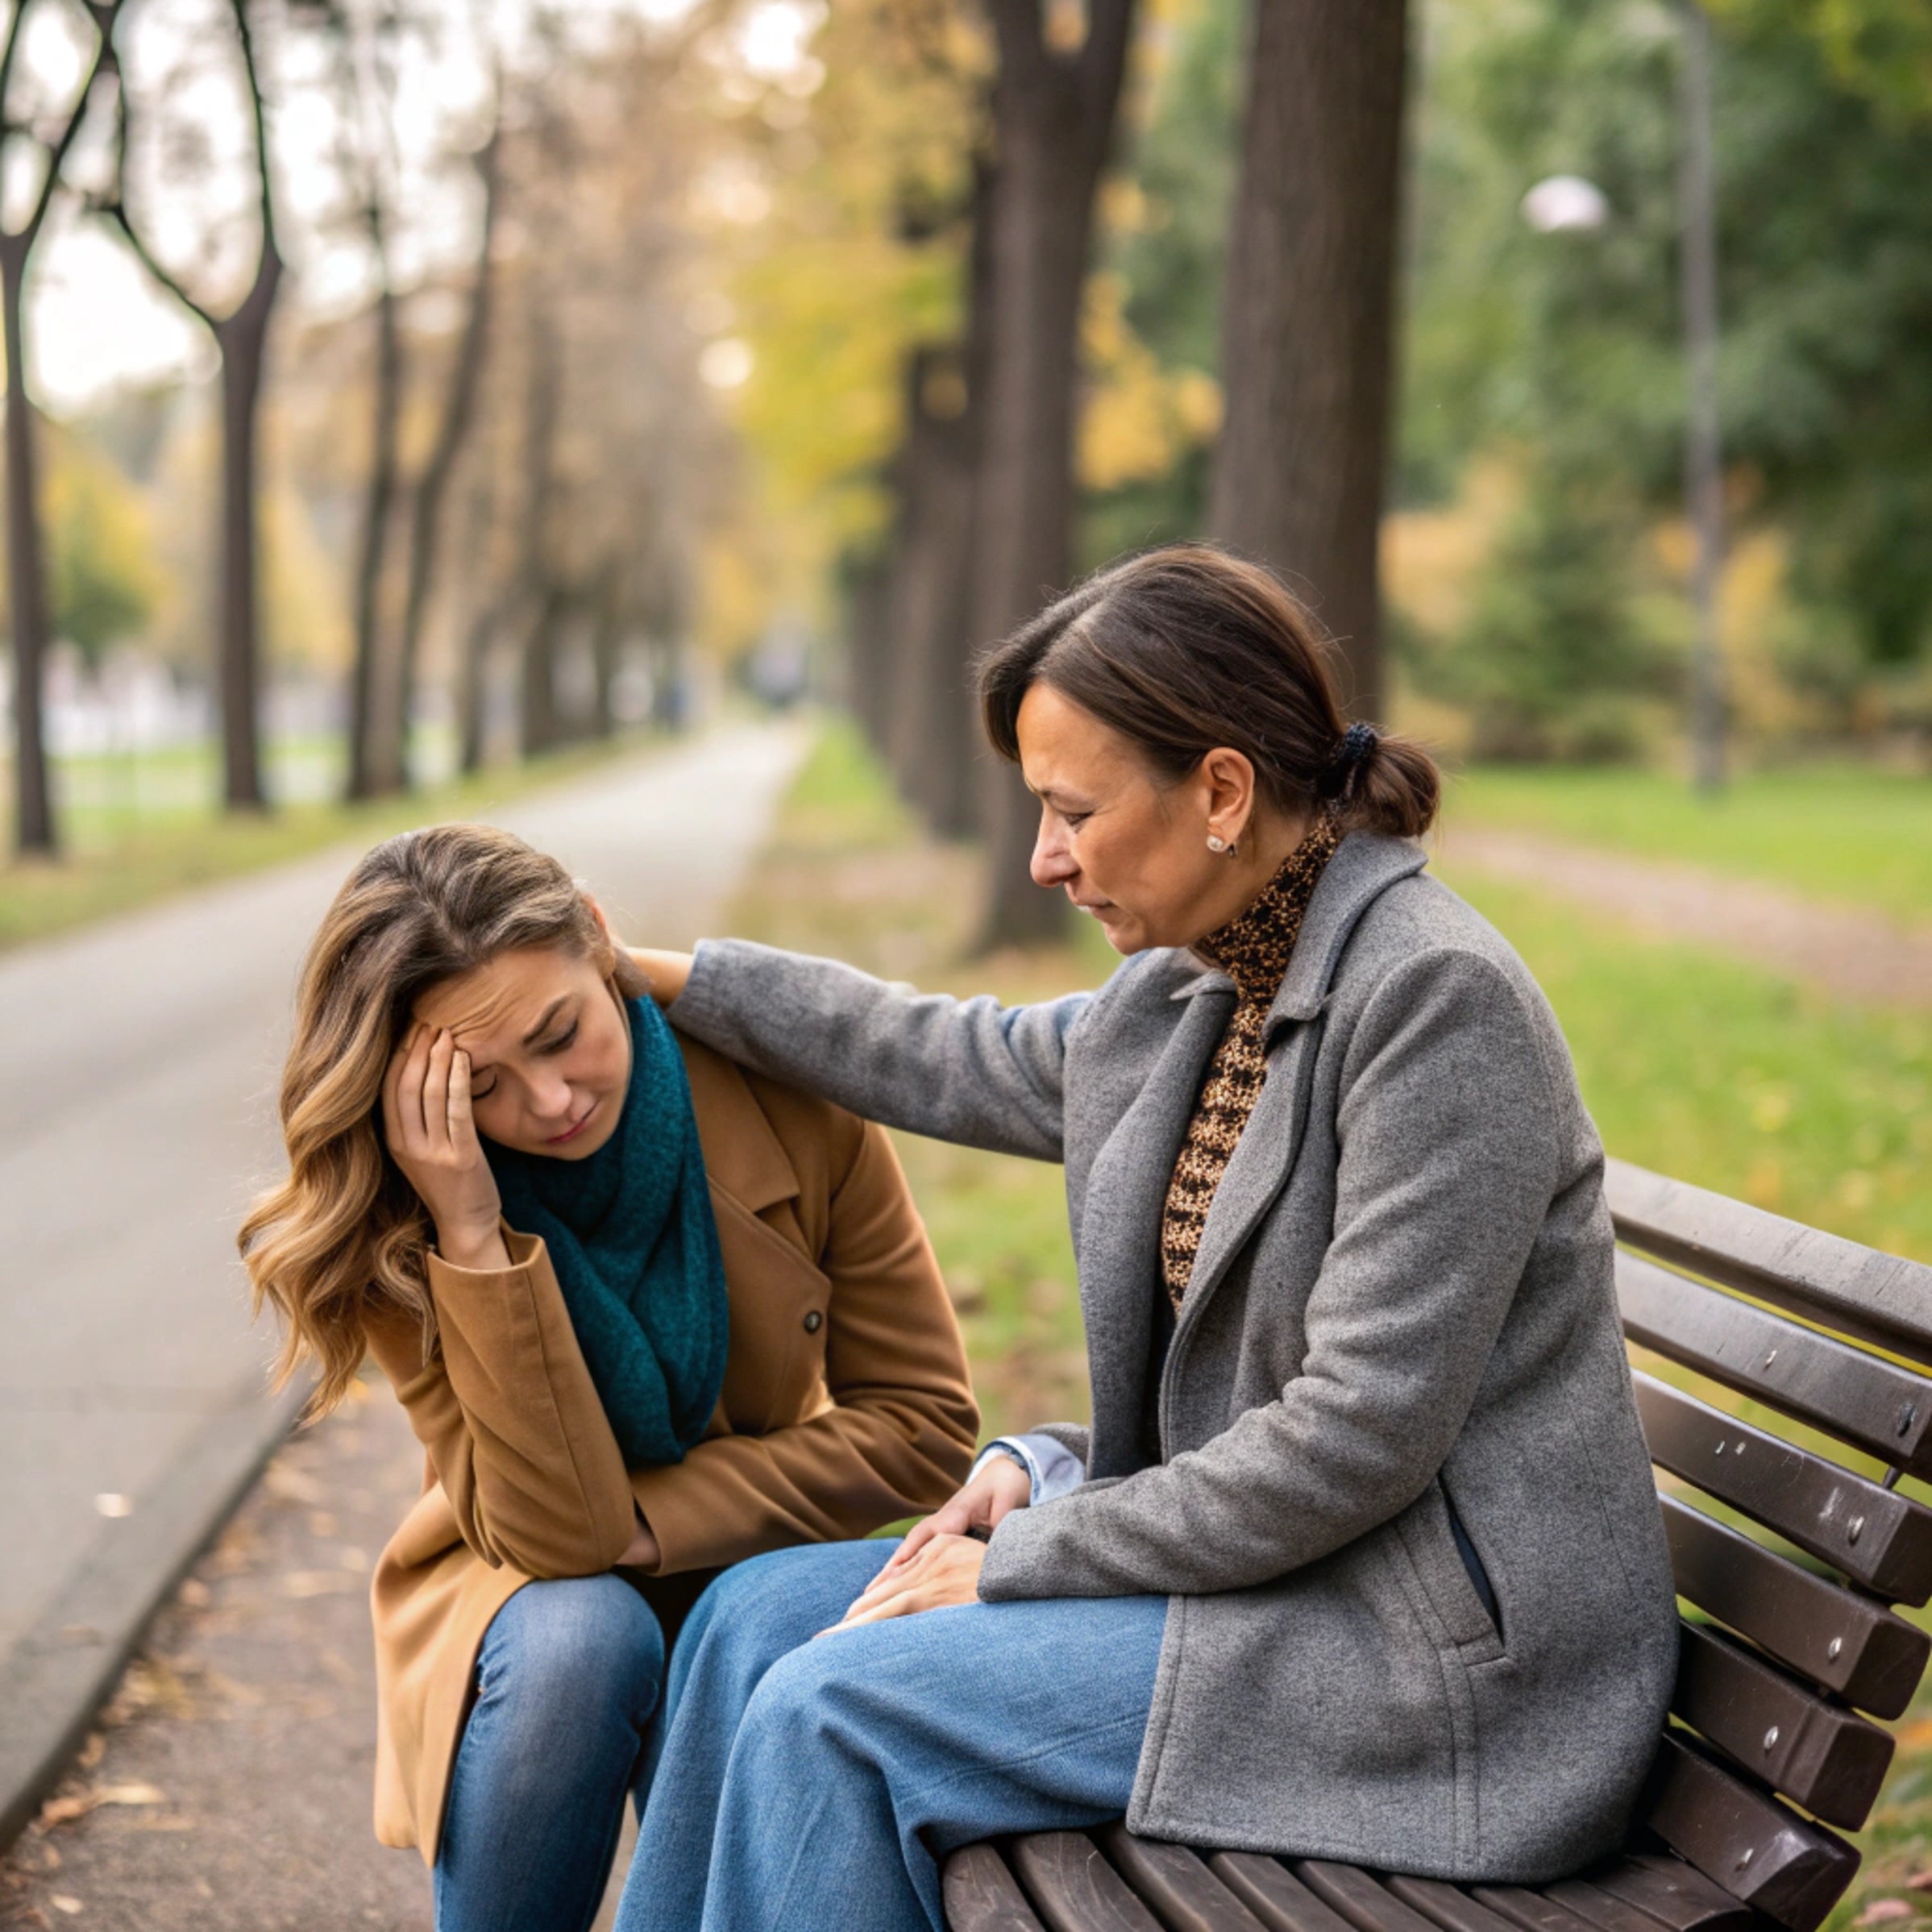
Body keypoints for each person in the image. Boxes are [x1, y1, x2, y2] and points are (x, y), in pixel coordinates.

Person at [616, 546, 1679, 1932]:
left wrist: (1027, 1550)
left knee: (836, 1706)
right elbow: (951, 1053)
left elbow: (1352, 1435)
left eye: (1070, 810)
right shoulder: (1195, 986)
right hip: (1272, 1588)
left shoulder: (1431, 1004)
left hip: (1425, 1667)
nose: (1044, 859)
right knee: (748, 1621)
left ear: (1222, 792)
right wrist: (666, 978)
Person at [238, 823, 978, 1932]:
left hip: (753, 1549)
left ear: (598, 936)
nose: (548, 1101)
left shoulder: (784, 1093)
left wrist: (658, 1519)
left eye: (560, 1032)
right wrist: (474, 1235)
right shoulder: (403, 1210)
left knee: (749, 1616)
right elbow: (558, 1535)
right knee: (584, 1637)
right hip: (521, 1579)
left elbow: (925, 1427)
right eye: (480, 1084)